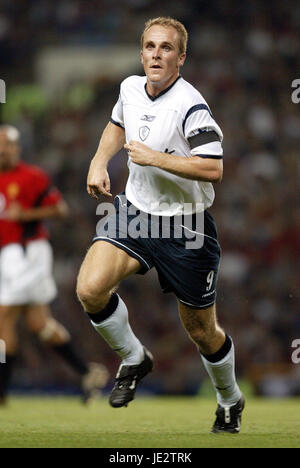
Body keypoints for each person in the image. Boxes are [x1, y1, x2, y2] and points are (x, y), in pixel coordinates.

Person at [77, 17, 245, 433]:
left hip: (185, 228)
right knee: (89, 289)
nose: (156, 54)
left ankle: (229, 399)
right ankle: (135, 358)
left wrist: (156, 158)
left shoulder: (192, 106)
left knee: (202, 331)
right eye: (150, 46)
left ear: (181, 57)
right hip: (135, 212)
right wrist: (100, 162)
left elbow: (213, 168)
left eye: (166, 48)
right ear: (141, 53)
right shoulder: (130, 88)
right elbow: (118, 125)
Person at [0, 125, 109, 405]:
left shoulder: (32, 177)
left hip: (28, 252)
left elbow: (60, 209)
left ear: (17, 148)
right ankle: (87, 373)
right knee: (39, 324)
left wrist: (27, 214)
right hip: (7, 256)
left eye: (7, 144)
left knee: (4, 316)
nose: (3, 149)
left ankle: (1, 393)